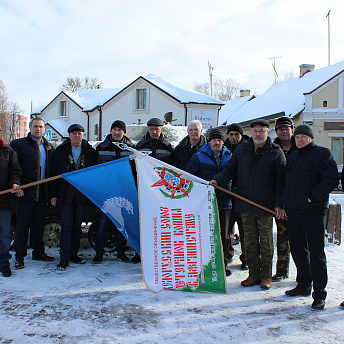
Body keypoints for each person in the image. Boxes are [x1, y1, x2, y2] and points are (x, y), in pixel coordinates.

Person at [210, 119, 286, 290]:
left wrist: (279, 204)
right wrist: (217, 180)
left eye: (262, 130)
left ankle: (265, 276)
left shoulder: (275, 152)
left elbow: (281, 182)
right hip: (245, 204)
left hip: (265, 207)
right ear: (251, 132)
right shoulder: (242, 150)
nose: (258, 134)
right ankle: (253, 274)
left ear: (268, 132)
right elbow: (229, 170)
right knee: (249, 242)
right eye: (255, 131)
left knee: (265, 243)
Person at [281, 124, 338, 310]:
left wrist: (312, 196)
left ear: (311, 138)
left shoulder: (323, 154)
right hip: (294, 212)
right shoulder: (293, 156)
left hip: (313, 212)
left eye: (304, 137)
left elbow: (330, 179)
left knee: (316, 254)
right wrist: (285, 203)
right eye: (297, 137)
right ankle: (304, 284)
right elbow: (286, 183)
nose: (300, 140)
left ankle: (319, 294)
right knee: (297, 250)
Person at [49, 124, 97, 270]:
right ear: (69, 135)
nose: (77, 136)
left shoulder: (90, 151)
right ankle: (64, 257)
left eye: (80, 133)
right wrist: (53, 195)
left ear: (83, 135)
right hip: (65, 195)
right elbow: (52, 174)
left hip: (81, 195)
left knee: (77, 226)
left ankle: (73, 254)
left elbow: (94, 174)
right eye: (74, 133)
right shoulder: (61, 151)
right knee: (67, 226)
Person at [186, 128, 233, 276]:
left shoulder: (230, 156)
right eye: (214, 140)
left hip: (225, 201)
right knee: (207, 234)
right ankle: (205, 264)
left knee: (224, 235)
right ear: (210, 141)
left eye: (219, 140)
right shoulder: (199, 156)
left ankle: (223, 264)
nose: (217, 142)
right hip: (205, 203)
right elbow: (189, 177)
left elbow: (235, 175)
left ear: (223, 142)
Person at [10, 118, 55, 269]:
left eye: (41, 126)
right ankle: (20, 257)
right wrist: (16, 185)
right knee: (22, 227)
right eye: (35, 126)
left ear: (44, 129)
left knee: (38, 225)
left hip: (41, 194)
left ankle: (38, 252)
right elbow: (13, 168)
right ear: (30, 127)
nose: (38, 129)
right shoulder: (18, 145)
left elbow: (51, 171)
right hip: (24, 194)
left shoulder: (49, 147)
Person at [94, 120, 138, 264]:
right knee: (101, 225)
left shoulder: (132, 148)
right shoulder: (101, 147)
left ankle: (120, 251)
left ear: (124, 132)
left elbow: (135, 171)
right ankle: (99, 252)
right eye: (114, 129)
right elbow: (95, 169)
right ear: (111, 131)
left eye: (120, 130)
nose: (117, 132)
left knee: (122, 224)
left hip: (124, 192)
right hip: (106, 192)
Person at [271, 117, 297, 282]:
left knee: (301, 240)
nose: (284, 132)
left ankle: (304, 273)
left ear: (292, 130)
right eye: (280, 129)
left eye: (287, 128)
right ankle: (282, 271)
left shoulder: (301, 147)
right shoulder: (272, 149)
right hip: (279, 201)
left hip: (299, 202)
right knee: (282, 237)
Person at [224, 123, 249, 270]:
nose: (233, 137)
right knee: (228, 230)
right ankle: (227, 255)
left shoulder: (247, 148)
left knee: (245, 229)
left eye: (236, 135)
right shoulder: (223, 148)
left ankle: (246, 258)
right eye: (231, 134)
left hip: (243, 195)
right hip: (227, 195)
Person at [0, 131, 22, 277]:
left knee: (4, 234)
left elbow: (15, 170)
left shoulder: (8, 152)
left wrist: (15, 183)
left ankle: (3, 263)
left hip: (3, 201)